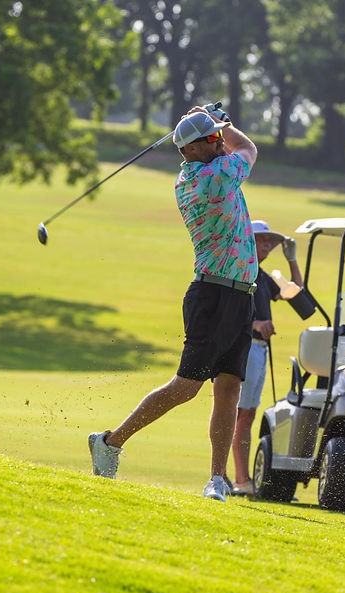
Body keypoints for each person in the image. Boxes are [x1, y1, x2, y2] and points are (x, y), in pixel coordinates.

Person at [88, 104, 259, 503]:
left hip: (239, 295)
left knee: (229, 388)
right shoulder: (209, 179)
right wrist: (227, 124)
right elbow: (249, 150)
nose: (220, 141)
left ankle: (217, 480)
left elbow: (232, 148)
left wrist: (206, 121)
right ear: (192, 150)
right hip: (213, 295)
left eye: (218, 136)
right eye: (212, 137)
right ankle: (110, 441)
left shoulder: (205, 167)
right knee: (186, 387)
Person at [229, 220, 302, 496]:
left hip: (258, 350)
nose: (269, 246)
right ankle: (239, 479)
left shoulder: (261, 276)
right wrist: (256, 325)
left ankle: (239, 478)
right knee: (241, 415)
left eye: (271, 242)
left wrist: (292, 259)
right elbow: (229, 317)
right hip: (244, 348)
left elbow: (296, 291)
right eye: (264, 241)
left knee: (245, 414)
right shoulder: (240, 271)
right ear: (250, 240)